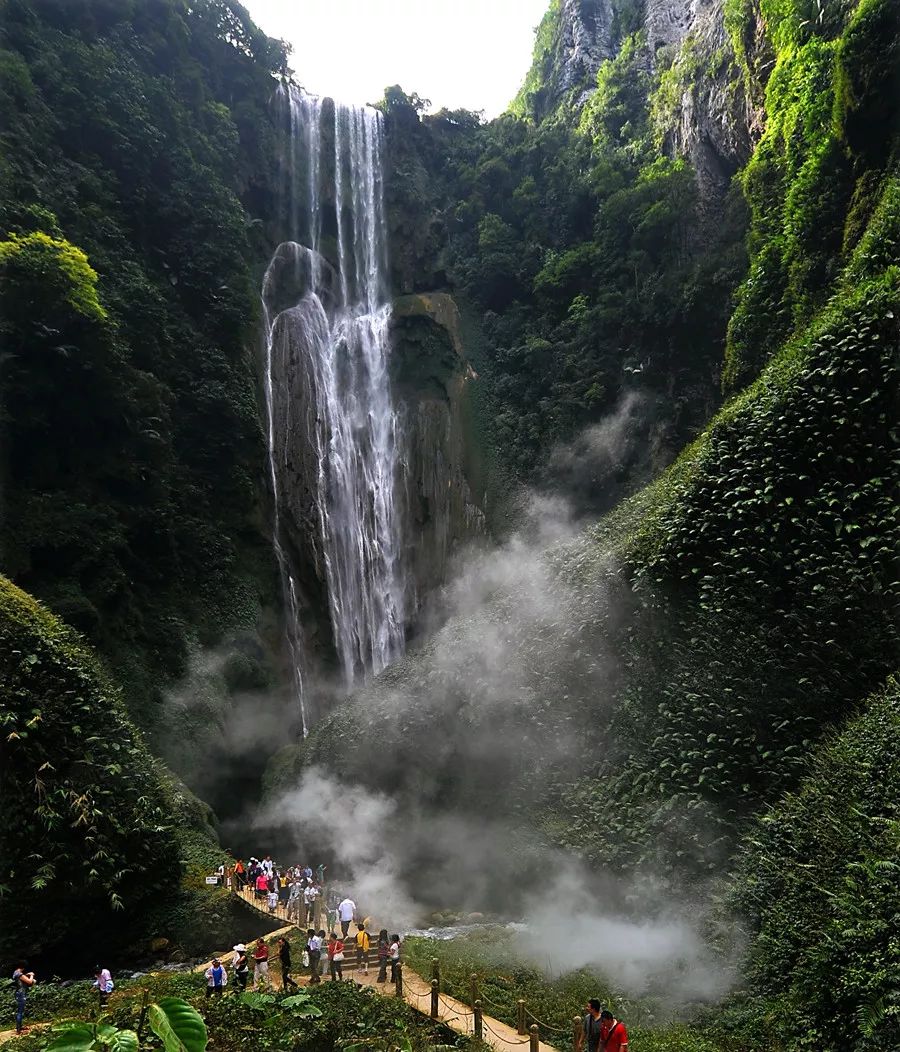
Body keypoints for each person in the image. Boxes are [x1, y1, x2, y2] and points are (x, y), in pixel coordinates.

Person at [12, 966, 35, 1034]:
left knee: (20, 1010)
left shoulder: (15, 973)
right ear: (21, 967)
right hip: (21, 994)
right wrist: (31, 975)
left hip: (19, 993)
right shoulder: (19, 974)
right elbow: (29, 982)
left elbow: (22, 979)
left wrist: (27, 975)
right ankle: (18, 1030)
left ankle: (19, 1027)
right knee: (20, 1012)